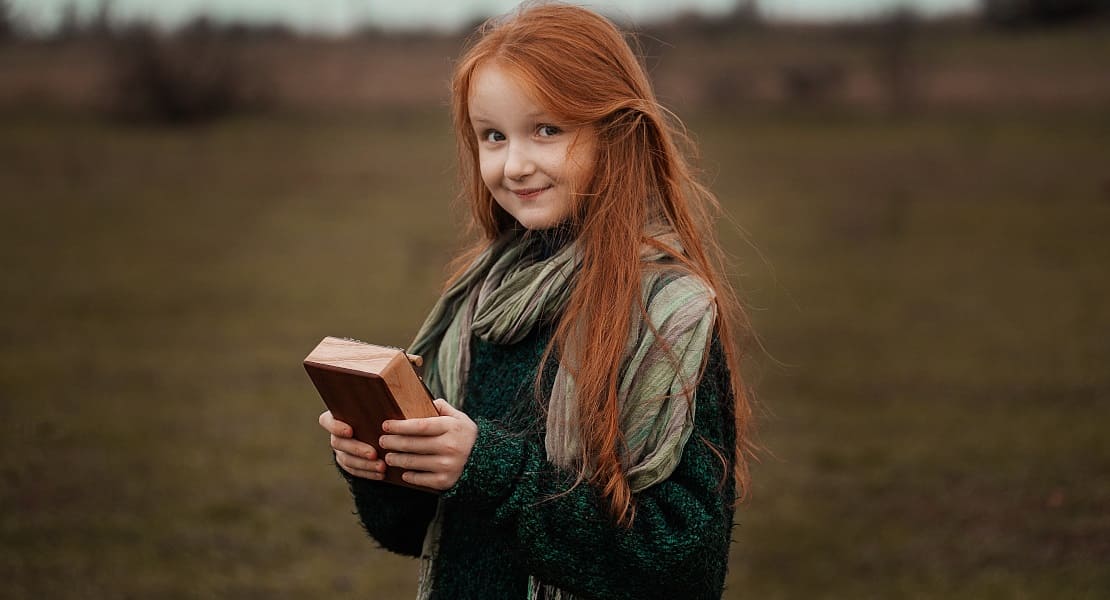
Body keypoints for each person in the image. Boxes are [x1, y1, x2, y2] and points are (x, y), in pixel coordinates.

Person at [318, 3, 755, 599]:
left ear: (615, 131)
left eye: (546, 130)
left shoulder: (669, 316)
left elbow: (682, 564)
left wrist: (489, 470)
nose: (515, 164)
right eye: (492, 136)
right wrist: (376, 463)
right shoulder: (479, 302)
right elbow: (408, 530)